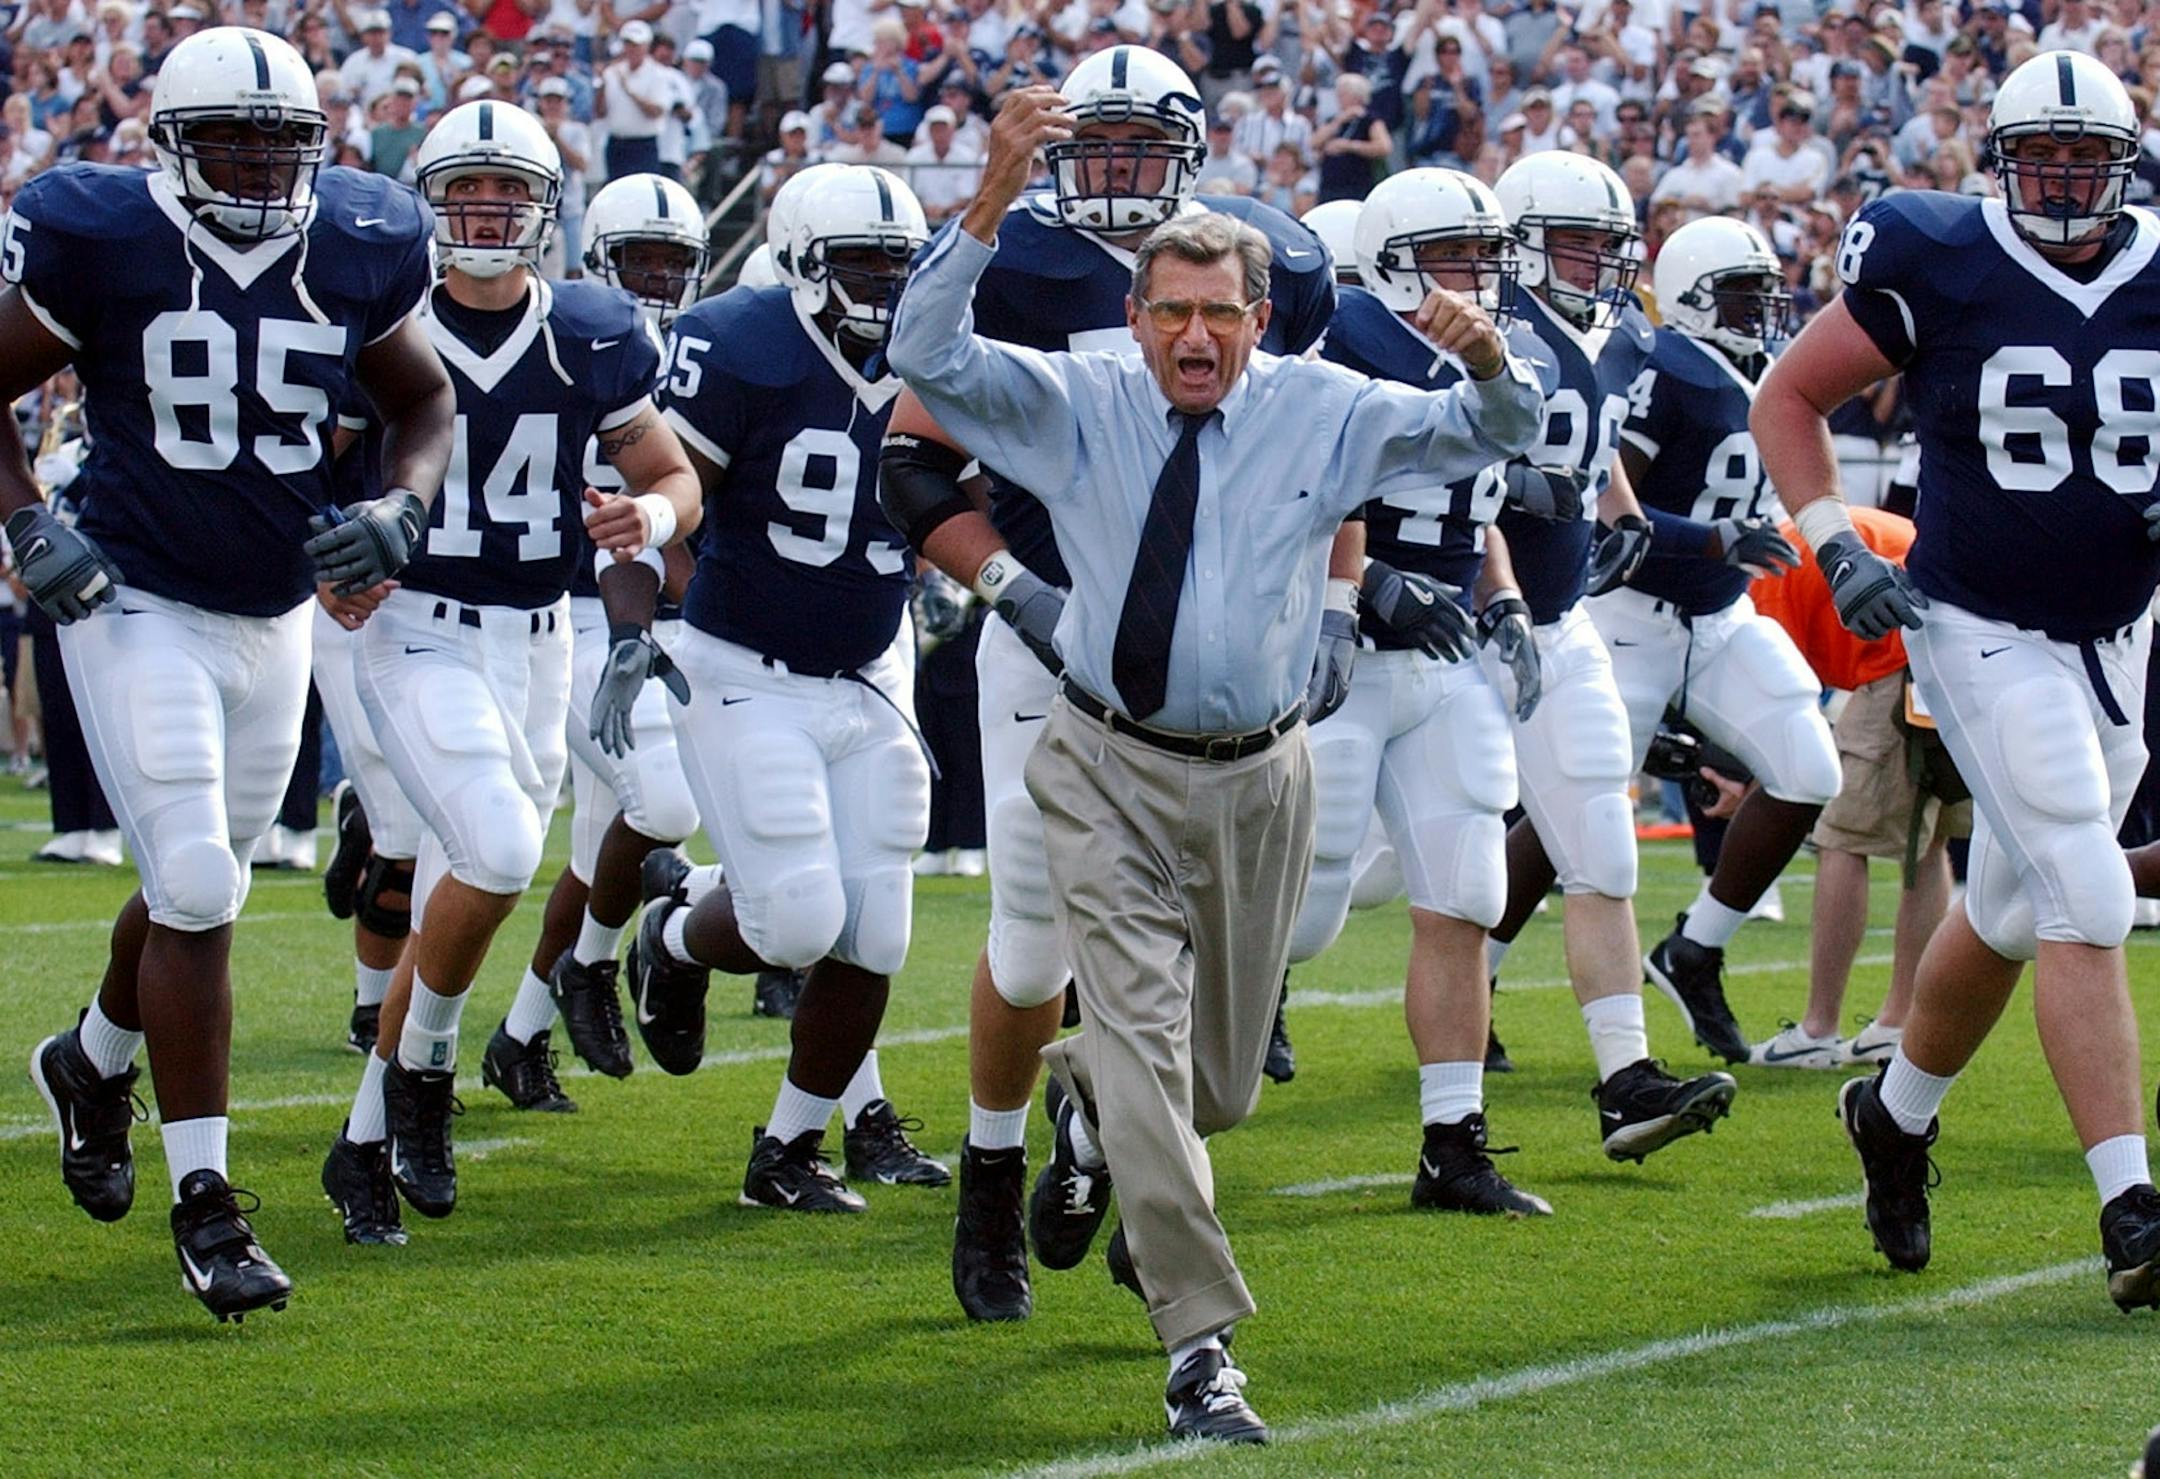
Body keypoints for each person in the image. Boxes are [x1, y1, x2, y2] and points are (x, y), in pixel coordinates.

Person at [885, 85, 1544, 1443]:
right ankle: (1201, 1350)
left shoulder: (1327, 406)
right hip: (1107, 760)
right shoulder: (1081, 403)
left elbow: (1496, 436)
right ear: (1139, 319)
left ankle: (1084, 1112)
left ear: (1258, 320)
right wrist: (990, 199)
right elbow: (923, 353)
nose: (1195, 334)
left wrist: (1487, 361)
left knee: (1221, 1085)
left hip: (1262, 771)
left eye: (1220, 312)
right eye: (1171, 310)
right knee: (1133, 1023)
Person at [870, 44, 1336, 1328]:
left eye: (1146, 146)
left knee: (1214, 971)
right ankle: (991, 1174)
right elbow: (910, 462)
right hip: (1062, 649)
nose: (1123, 172)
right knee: (1031, 944)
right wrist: (1013, 588)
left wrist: (1339, 602)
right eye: (1103, 143)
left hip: (1230, 668)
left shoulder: (1250, 262)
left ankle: (1113, 1145)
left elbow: (1328, 444)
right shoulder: (1009, 265)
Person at [9, 26, 455, 1320]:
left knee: (186, 881)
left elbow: (420, 405)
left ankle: (91, 1063)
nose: (260, 165)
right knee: (198, 880)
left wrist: (402, 508)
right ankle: (206, 1203)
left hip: (277, 616)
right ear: (170, 144)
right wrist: (28, 523)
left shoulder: (362, 239)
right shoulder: (102, 233)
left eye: (282, 141)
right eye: (231, 140)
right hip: (131, 593)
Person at [1751, 50, 2160, 1302]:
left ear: (2122, 169)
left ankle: (1895, 1115)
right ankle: (2135, 1212)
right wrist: (1829, 540)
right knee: (2086, 891)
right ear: (2000, 161)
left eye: (2087, 160)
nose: (2065, 180)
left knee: (2010, 908)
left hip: (2122, 628)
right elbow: (1792, 398)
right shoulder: (1936, 253)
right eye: (2043, 157)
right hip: (1978, 622)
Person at [319, 99, 700, 1246]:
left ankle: (361, 1141)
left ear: (546, 210)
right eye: (466, 192)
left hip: (543, 636)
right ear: (428, 205)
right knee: (494, 853)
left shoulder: (590, 328)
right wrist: (333, 558)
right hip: (417, 624)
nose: (488, 212)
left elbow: (675, 473)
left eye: (508, 193)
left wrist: (648, 509)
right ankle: (427, 1072)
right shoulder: (386, 322)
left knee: (466, 879)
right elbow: (316, 471)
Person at [626, 164, 953, 1216]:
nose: (884, 290)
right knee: (798, 921)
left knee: (877, 932)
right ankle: (674, 934)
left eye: (899, 269)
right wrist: (637, 623)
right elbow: (664, 495)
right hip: (744, 668)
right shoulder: (739, 342)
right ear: (804, 264)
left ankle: (788, 1150)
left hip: (872, 668)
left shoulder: (933, 349)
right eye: (861, 267)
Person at [1296, 167, 1554, 1215]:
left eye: (1489, 258)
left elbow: (1476, 499)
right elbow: (1304, 482)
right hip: (1344, 648)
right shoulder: (1348, 338)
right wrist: (1363, 588)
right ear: (1398, 257)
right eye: (1459, 256)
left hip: (1442, 654)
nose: (1479, 278)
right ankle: (1127, 1102)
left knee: (1467, 891)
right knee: (1300, 913)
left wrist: (1504, 599)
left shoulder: (1490, 354)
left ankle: (1453, 1142)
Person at [1479, 151, 1741, 1162]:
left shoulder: (1626, 332)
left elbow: (1595, 461)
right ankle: (1189, 1030)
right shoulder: (1482, 327)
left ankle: (1627, 1079)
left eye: (1606, 243)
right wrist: (1516, 509)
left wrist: (1620, 514)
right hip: (1457, 630)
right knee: (1343, 882)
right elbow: (1443, 470)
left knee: (1604, 847)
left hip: (1564, 622)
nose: (1596, 260)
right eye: (1576, 240)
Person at [1600, 216, 1844, 1066]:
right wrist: (1708, 539)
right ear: (1692, 298)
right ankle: (1473, 978)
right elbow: (1603, 488)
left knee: (1811, 767)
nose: (1760, 313)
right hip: (1630, 616)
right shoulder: (1664, 370)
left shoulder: (1762, 373)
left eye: (1764, 296)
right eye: (1742, 297)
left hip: (1723, 616)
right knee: (1576, 819)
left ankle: (1694, 948)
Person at [491, 171, 710, 1109]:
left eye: (674, 265)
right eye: (640, 262)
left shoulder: (700, 352)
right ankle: (590, 966)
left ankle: (520, 1035)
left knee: (596, 855)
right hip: (577, 611)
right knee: (657, 802)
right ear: (597, 261)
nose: (657, 282)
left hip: (666, 614)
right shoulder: (576, 337)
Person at [1743, 504, 1961, 1069]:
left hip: (1896, 663)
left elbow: (1781, 697)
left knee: (1843, 840)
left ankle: (1820, 1027)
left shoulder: (1763, 580)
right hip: (1958, 649)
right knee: (1928, 837)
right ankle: (1899, 1020)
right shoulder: (1798, 538)